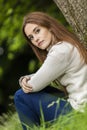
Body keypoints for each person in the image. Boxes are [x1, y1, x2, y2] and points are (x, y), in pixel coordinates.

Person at [14, 12, 87, 130]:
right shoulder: (65, 45)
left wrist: (25, 80)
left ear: (49, 26)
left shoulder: (59, 52)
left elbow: (33, 85)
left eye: (37, 31)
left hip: (80, 112)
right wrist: (25, 78)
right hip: (80, 105)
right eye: (31, 37)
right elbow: (44, 75)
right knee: (41, 90)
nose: (35, 39)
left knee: (21, 96)